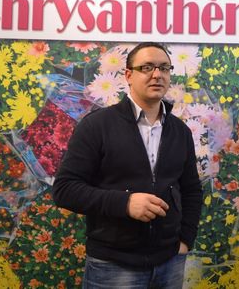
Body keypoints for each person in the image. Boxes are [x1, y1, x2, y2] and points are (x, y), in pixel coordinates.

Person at [53, 42, 203, 289]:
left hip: (170, 261)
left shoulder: (181, 131)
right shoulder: (96, 126)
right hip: (112, 266)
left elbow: (191, 190)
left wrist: (185, 240)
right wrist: (125, 203)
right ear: (128, 75)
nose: (157, 74)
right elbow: (65, 190)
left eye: (164, 68)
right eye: (147, 67)